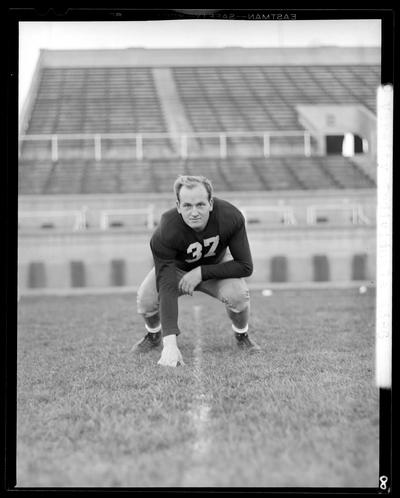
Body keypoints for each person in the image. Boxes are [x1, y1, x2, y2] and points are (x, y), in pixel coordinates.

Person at [132, 175, 261, 366]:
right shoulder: (166, 230)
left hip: (215, 267)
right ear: (178, 206)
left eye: (200, 204)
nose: (194, 212)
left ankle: (242, 335)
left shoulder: (230, 216)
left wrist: (201, 272)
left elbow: (245, 266)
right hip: (176, 270)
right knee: (146, 299)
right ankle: (154, 335)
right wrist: (170, 344)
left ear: (210, 203)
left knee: (239, 296)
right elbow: (166, 286)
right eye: (187, 206)